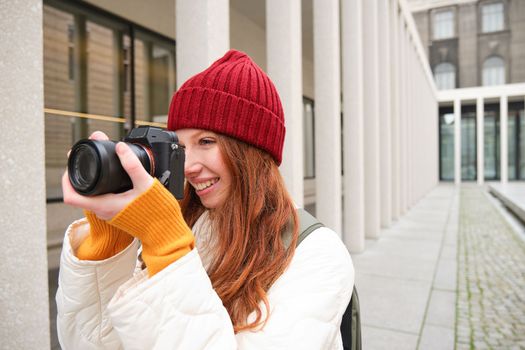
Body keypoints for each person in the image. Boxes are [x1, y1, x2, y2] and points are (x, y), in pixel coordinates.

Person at [56, 49, 354, 349]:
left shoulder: (319, 255)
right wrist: (107, 246)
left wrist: (169, 251)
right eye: (180, 147)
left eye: (206, 141)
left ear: (252, 154)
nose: (187, 166)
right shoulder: (191, 223)